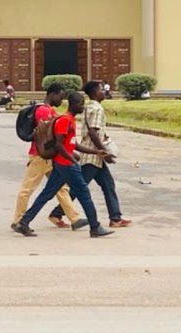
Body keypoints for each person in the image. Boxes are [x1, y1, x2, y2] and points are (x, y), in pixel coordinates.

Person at [13, 91, 113, 238]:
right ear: (75, 105)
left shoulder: (69, 120)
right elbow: (59, 145)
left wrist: (96, 151)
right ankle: (95, 227)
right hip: (66, 164)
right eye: (81, 104)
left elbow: (74, 144)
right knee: (84, 194)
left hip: (61, 165)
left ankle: (24, 222)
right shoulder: (65, 120)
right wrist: (71, 159)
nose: (83, 107)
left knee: (47, 194)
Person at [51, 81, 131, 228]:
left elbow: (97, 132)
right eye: (101, 89)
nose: (105, 91)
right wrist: (103, 152)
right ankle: (57, 213)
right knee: (79, 188)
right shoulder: (97, 109)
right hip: (92, 156)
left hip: (95, 156)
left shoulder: (90, 107)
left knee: (108, 184)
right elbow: (93, 132)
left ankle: (115, 217)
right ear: (95, 93)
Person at [11, 85, 82, 229]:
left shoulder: (49, 110)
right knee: (27, 189)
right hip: (41, 156)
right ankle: (18, 220)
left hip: (47, 156)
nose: (61, 100)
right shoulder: (44, 111)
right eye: (60, 96)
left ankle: (74, 219)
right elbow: (51, 136)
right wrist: (67, 152)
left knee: (61, 187)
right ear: (52, 94)